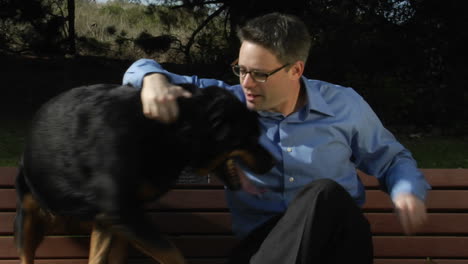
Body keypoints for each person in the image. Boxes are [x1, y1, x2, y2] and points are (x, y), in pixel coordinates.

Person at [122, 12, 430, 263]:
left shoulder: (344, 105)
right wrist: (152, 80)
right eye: (240, 70)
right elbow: (139, 68)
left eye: (259, 74)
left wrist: (405, 191)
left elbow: (392, 160)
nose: (246, 83)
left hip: (336, 247)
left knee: (324, 194)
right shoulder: (227, 103)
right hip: (263, 249)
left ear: (296, 70)